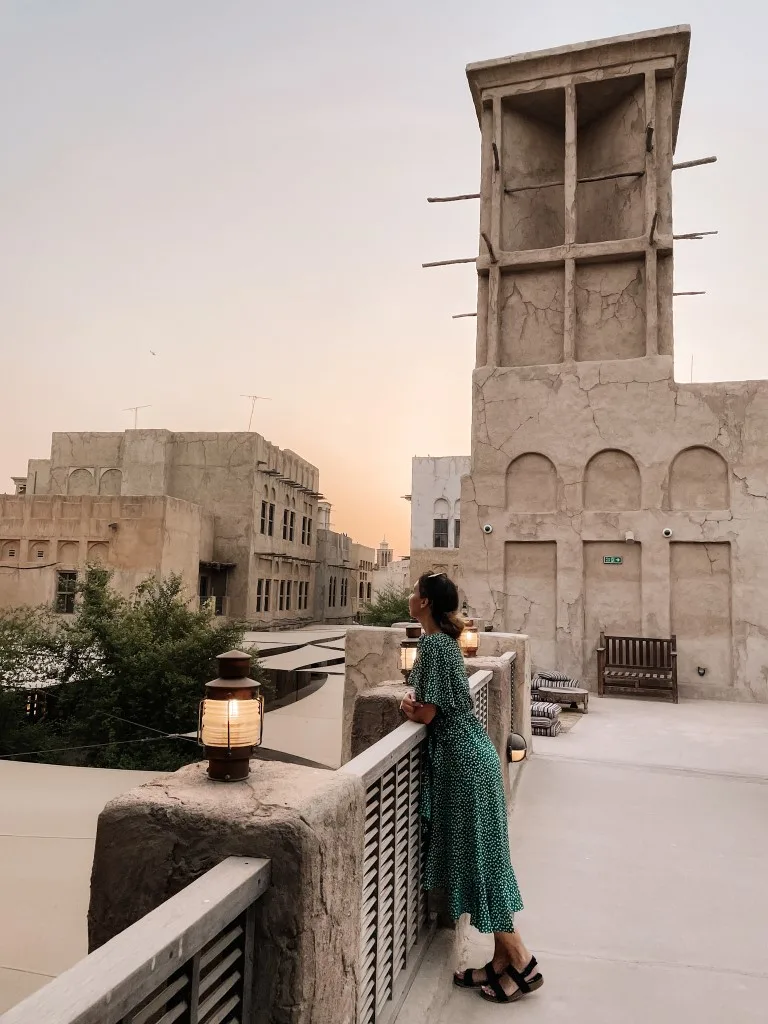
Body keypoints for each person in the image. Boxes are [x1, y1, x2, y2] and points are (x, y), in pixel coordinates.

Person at [399, 572, 543, 1005]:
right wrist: (419, 706)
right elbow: (438, 704)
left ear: (424, 602)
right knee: (487, 857)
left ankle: (520, 959)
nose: (409, 596)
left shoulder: (432, 645)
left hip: (462, 763)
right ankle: (500, 960)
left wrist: (407, 706)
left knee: (481, 861)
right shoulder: (445, 641)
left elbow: (428, 715)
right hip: (472, 755)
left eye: (414, 591)